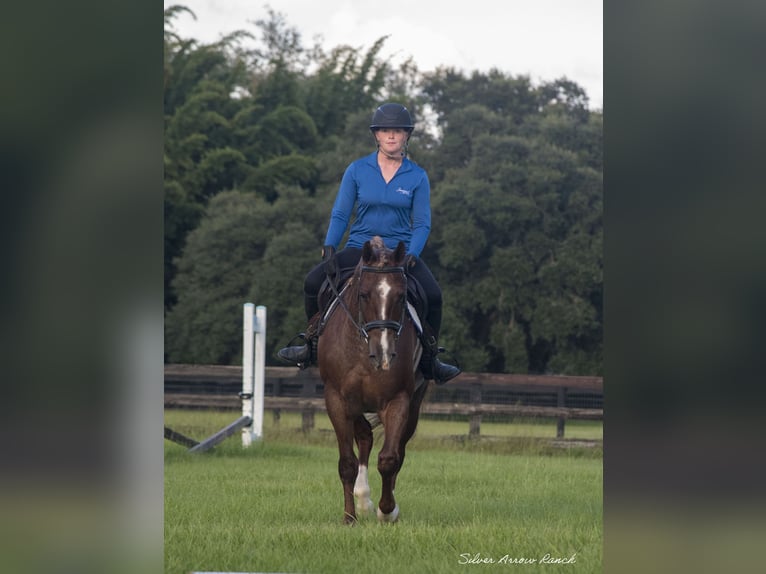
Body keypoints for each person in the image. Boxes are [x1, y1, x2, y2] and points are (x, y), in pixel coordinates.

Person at [277, 102, 460, 384]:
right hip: (361, 248)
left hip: (399, 253)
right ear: (376, 135)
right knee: (313, 282)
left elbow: (422, 223)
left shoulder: (417, 176)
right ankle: (310, 344)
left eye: (397, 131)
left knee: (434, 295)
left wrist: (411, 254)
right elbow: (341, 212)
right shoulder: (357, 170)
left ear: (406, 136)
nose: (391, 136)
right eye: (385, 130)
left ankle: (430, 359)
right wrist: (329, 245)